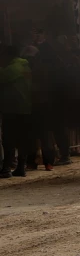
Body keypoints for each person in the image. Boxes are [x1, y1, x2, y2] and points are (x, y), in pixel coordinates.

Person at [0, 45, 33, 178]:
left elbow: (1, 77)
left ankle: (7, 168)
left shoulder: (14, 68)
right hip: (25, 108)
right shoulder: (25, 66)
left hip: (13, 109)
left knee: (9, 139)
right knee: (22, 139)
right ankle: (21, 167)